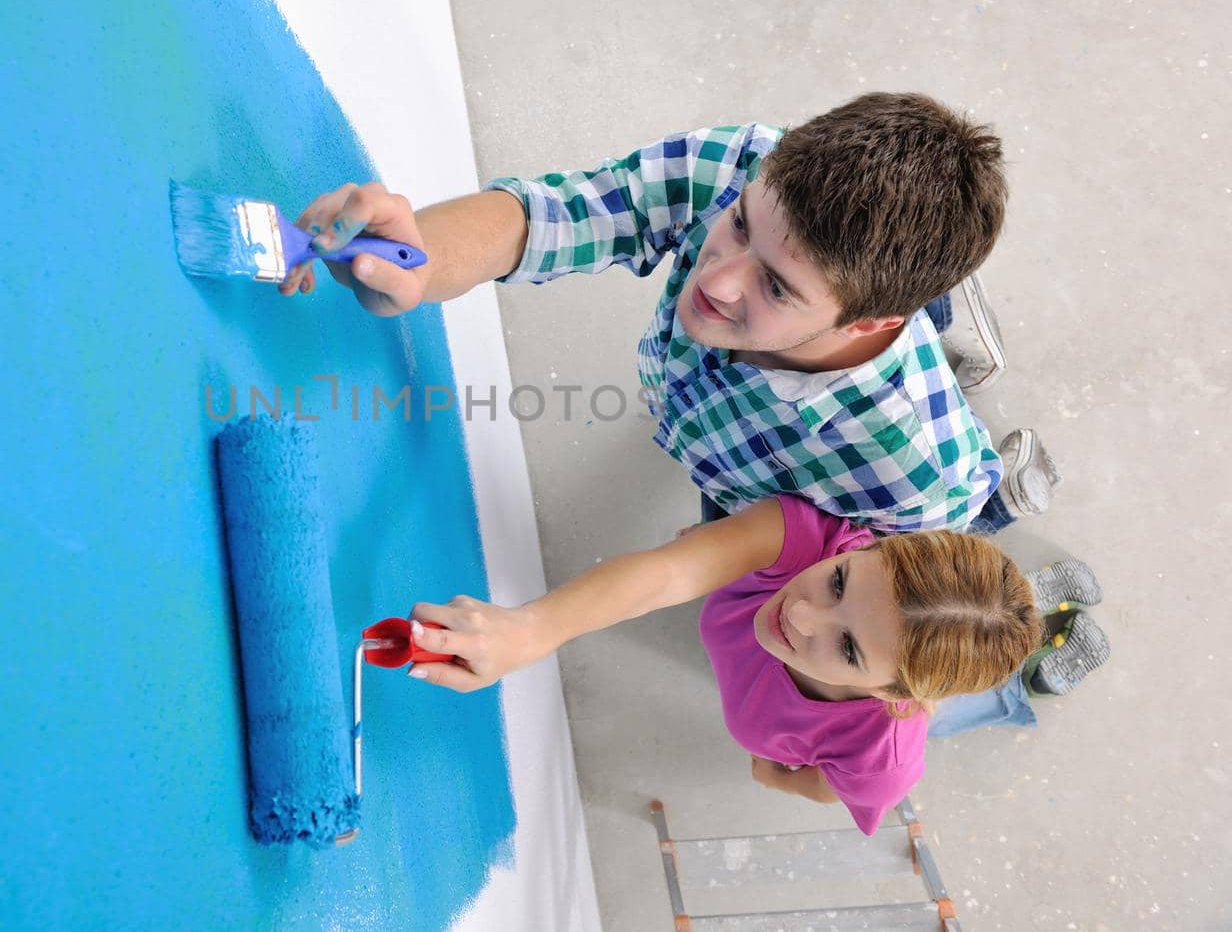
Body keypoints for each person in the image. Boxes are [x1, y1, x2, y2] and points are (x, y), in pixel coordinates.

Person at [287, 91, 1100, 710]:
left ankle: (1016, 503)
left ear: (881, 320)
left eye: (777, 287)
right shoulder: (744, 162)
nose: (714, 280)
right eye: (741, 227)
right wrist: (420, 258)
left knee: (976, 635)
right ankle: (952, 337)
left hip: (900, 496)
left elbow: (895, 627)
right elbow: (560, 214)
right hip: (740, 451)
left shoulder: (907, 478)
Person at [401, 495, 1044, 833]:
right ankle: (1027, 572)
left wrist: (784, 780)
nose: (802, 616)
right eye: (841, 582)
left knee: (972, 707)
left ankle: (1020, 680)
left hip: (912, 721)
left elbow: (831, 788)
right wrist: (531, 627)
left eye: (848, 648)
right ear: (869, 546)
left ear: (893, 694)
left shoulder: (885, 756)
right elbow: (667, 573)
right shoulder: (804, 537)